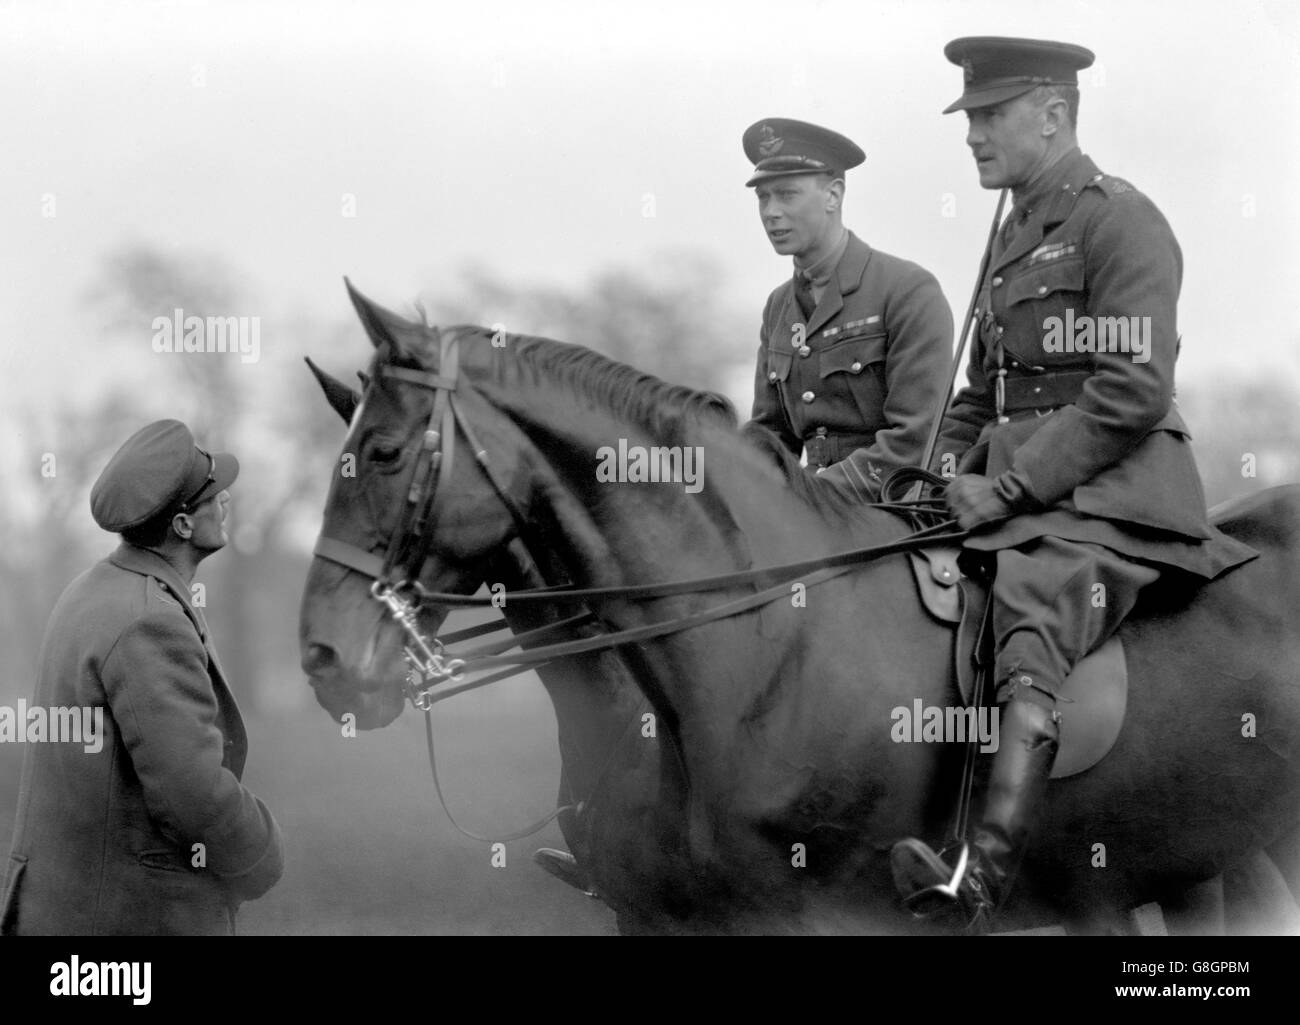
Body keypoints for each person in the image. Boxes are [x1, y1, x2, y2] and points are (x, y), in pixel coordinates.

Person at [888, 37, 1257, 933]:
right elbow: (982, 395)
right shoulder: (1011, 235)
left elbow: (1133, 387)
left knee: (1036, 598)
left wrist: (1008, 490)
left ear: (1052, 114)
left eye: (989, 116)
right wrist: (932, 482)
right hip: (1037, 491)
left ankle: (980, 877)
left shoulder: (1119, 219)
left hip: (1116, 494)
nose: (972, 136)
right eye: (969, 119)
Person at [2, 419, 284, 935]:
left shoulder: (94, 589)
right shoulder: (149, 620)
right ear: (181, 525)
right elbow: (192, 796)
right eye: (212, 494)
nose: (225, 500)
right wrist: (262, 851)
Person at [743, 118, 953, 498]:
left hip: (894, 505)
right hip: (814, 507)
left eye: (787, 194)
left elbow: (915, 437)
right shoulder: (778, 307)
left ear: (833, 195)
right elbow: (770, 435)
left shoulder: (906, 289)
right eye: (763, 197)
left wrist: (814, 497)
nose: (771, 212)